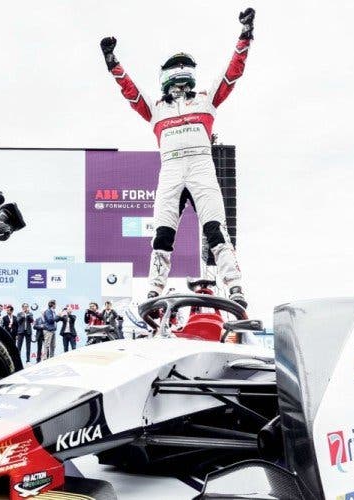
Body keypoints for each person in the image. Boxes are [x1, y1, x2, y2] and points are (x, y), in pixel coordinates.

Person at [99, 8, 256, 308]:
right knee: (162, 234)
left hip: (200, 167)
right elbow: (130, 92)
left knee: (215, 229)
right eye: (176, 68)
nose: (180, 72)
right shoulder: (156, 107)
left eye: (184, 67)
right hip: (170, 170)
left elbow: (232, 73)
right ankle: (155, 290)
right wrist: (113, 62)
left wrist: (245, 35)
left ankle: (234, 285)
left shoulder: (206, 99)